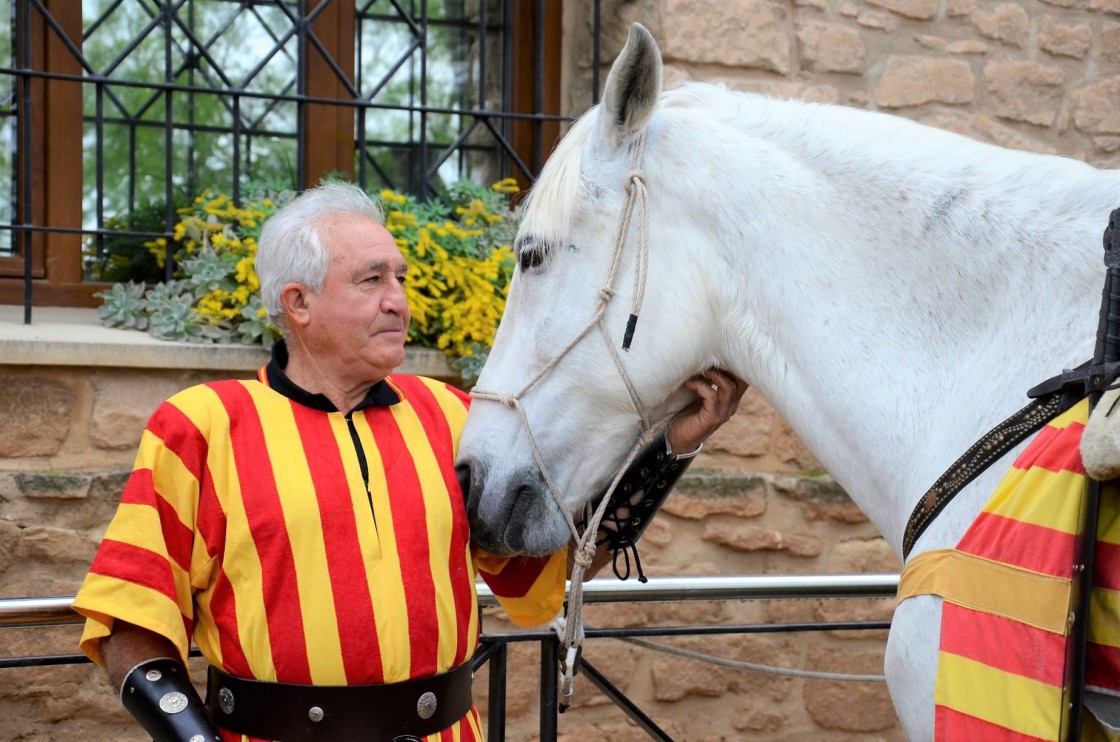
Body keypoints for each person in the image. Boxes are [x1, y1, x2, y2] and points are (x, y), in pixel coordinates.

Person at [72, 181, 747, 742]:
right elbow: (132, 620)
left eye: (399, 278)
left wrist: (671, 450)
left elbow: (552, 566)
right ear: (298, 304)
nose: (398, 299)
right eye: (371, 280)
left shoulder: (454, 417)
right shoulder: (203, 426)